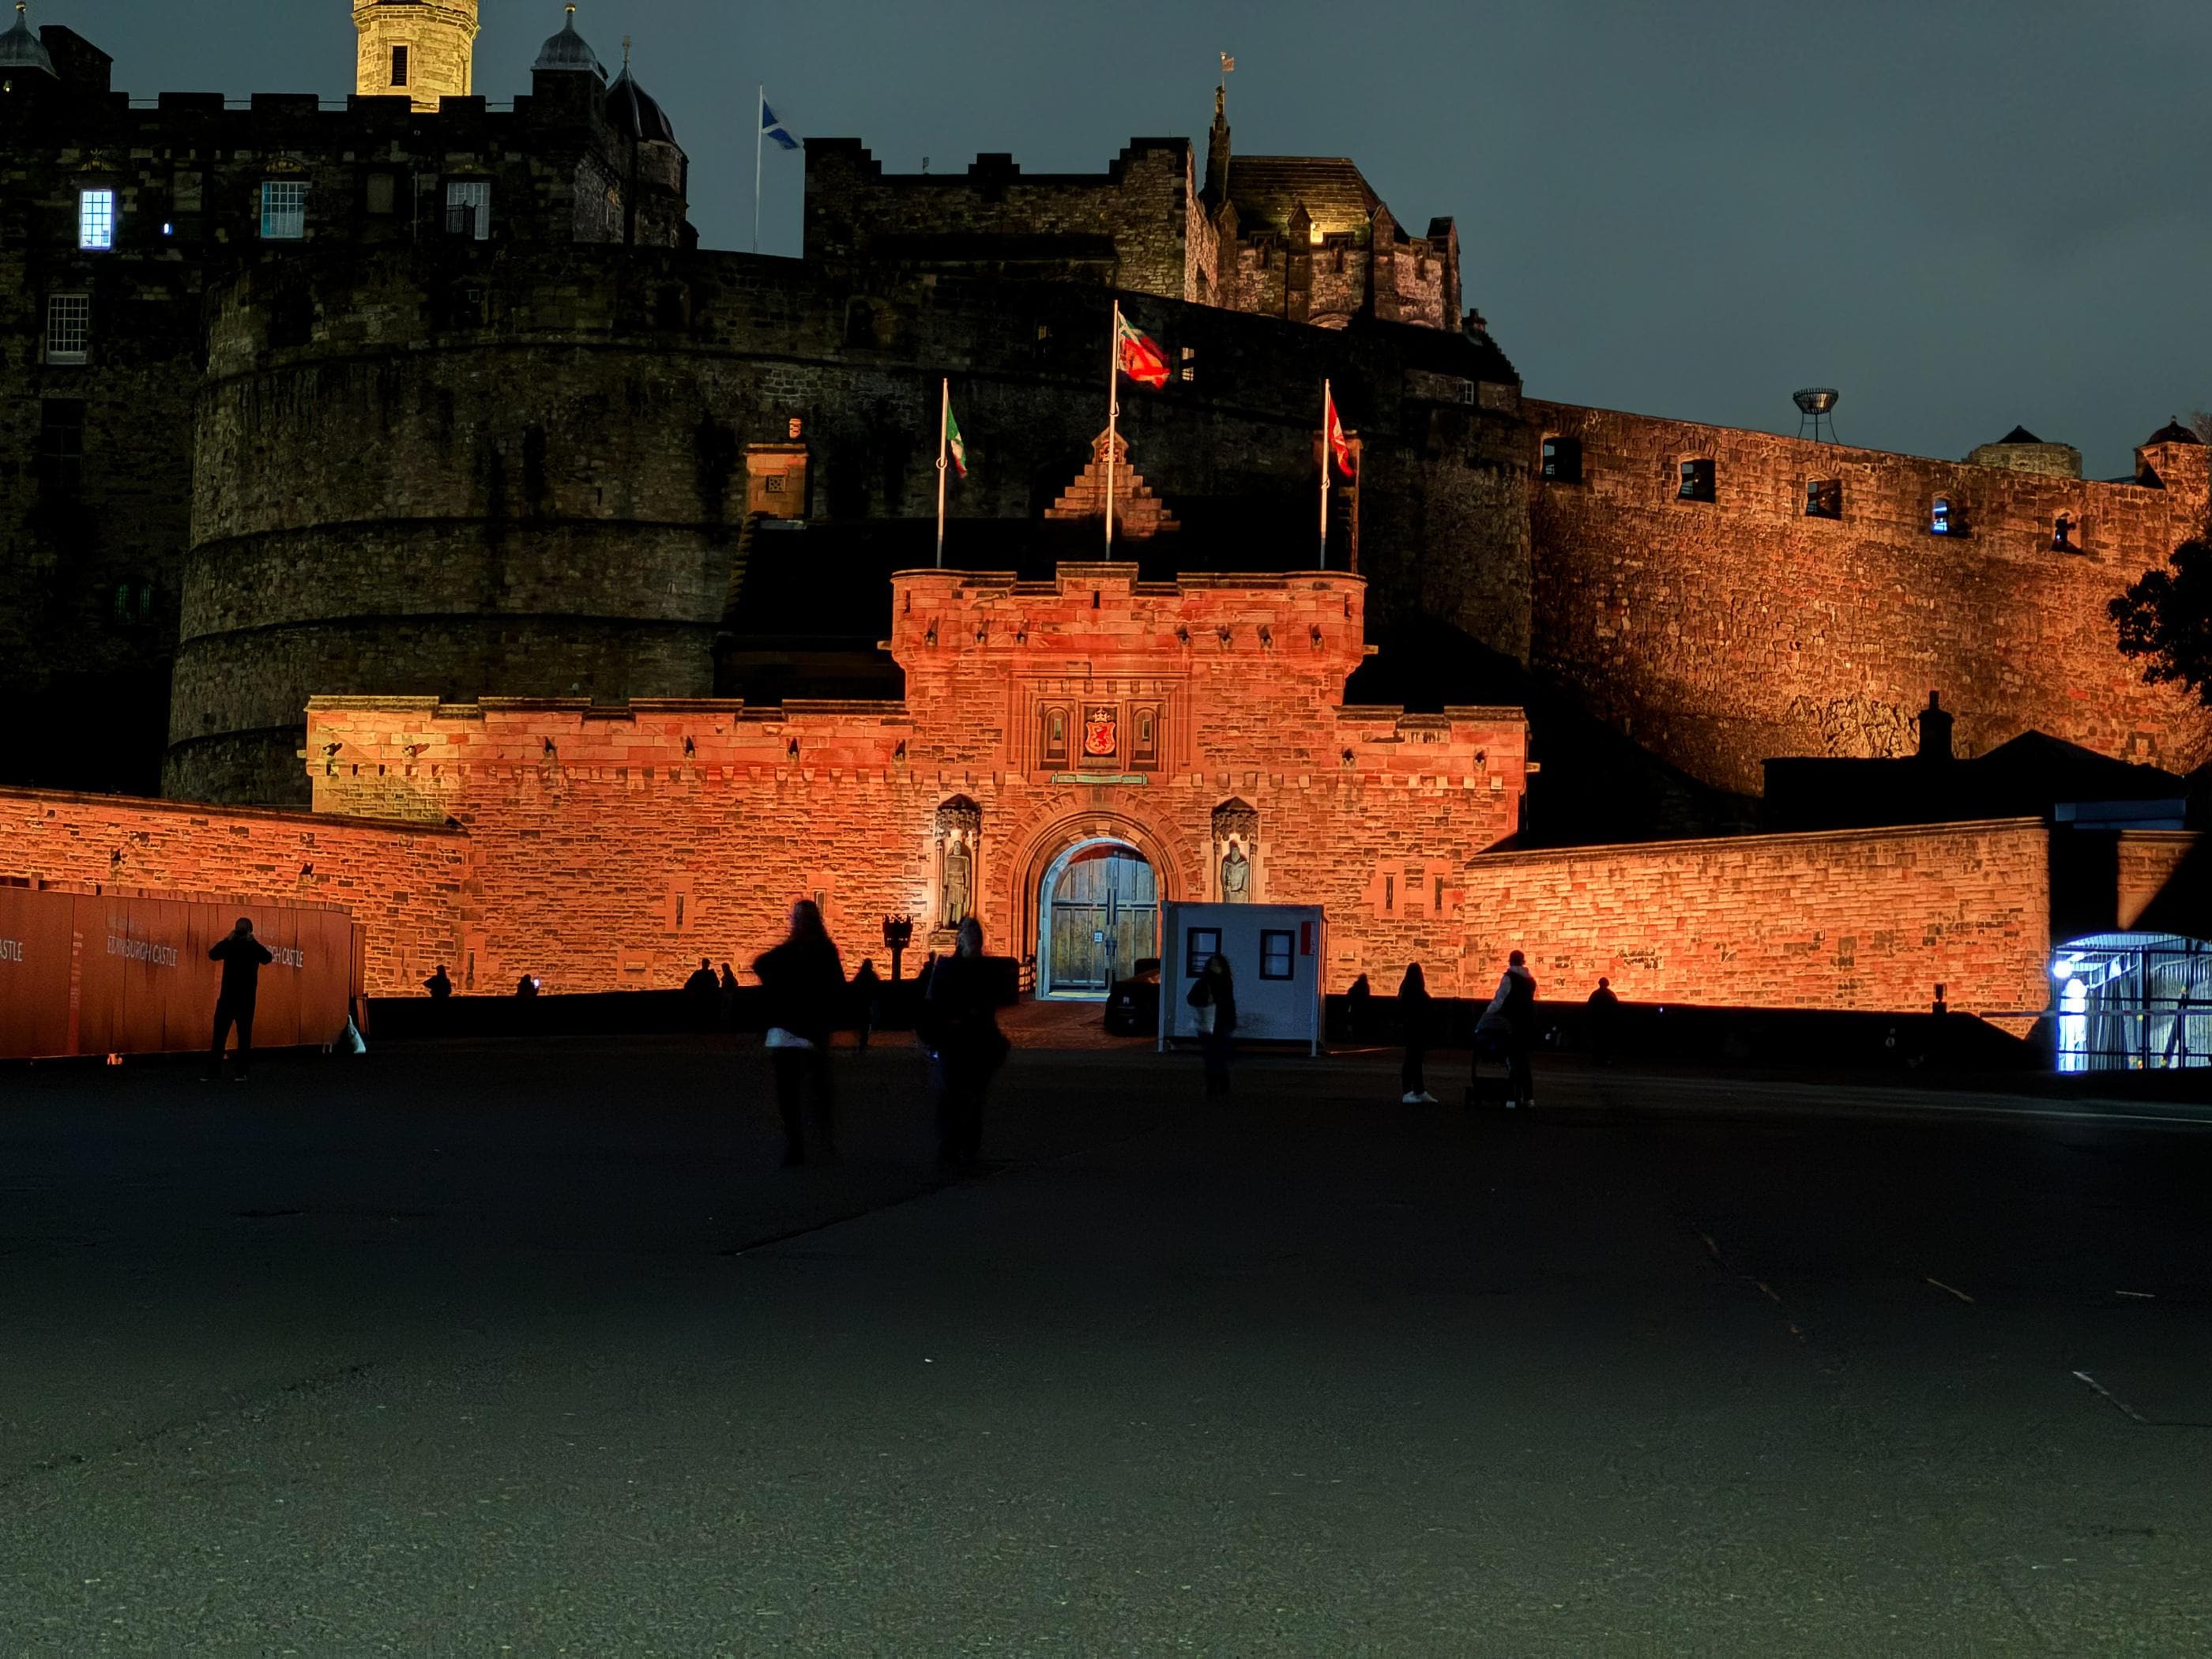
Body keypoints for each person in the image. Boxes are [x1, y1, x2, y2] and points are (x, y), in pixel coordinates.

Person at [752, 899, 847, 1167]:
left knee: (790, 1092)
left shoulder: (789, 952)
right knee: (815, 1089)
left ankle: (797, 1145)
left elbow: (761, 965)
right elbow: (838, 988)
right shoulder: (823, 951)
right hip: (810, 1031)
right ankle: (818, 1141)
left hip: (787, 1031)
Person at [920, 920, 1007, 1170]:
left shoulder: (985, 969)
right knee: (952, 1096)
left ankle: (968, 1148)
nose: (975, 943)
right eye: (970, 938)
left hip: (978, 1042)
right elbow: (933, 1003)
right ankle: (950, 1147)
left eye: (977, 938)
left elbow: (993, 1004)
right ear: (960, 940)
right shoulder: (947, 968)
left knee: (974, 1098)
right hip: (954, 1042)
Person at [204, 916, 274, 1082]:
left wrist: (227, 939)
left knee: (219, 1036)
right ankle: (241, 1072)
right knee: (244, 1037)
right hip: (246, 999)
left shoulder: (230, 945)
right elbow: (267, 958)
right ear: (251, 931)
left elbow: (213, 954)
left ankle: (214, 1071)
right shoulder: (252, 947)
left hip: (227, 997)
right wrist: (253, 941)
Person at [1482, 950, 1539, 1108]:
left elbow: (1499, 999)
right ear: (1523, 961)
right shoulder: (1531, 980)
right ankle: (1528, 1097)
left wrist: (1487, 1015)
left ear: (1510, 961)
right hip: (1527, 1024)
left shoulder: (1509, 978)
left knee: (1513, 1060)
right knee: (1524, 1061)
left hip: (1511, 1024)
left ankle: (1512, 1098)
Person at [1187, 953, 1238, 1097]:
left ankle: (1217, 1085)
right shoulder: (1208, 982)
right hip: (1214, 1025)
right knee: (1214, 1056)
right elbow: (1191, 998)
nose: (1216, 968)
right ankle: (1217, 1085)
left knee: (1215, 1056)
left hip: (1217, 1024)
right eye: (1213, 965)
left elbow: (1229, 1003)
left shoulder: (1225, 981)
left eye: (1218, 965)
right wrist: (1207, 1001)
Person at [1398, 963, 1435, 1103]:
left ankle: (1418, 1090)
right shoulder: (1413, 991)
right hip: (1415, 1029)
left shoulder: (1407, 990)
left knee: (1415, 1060)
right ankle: (1409, 1092)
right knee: (1412, 1060)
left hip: (1414, 1030)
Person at [850, 957, 883, 1050]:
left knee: (862, 1021)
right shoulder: (872, 976)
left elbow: (855, 987)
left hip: (861, 1002)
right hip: (868, 1002)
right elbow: (877, 988)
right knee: (866, 1021)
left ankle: (862, 1040)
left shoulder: (860, 976)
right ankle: (864, 1040)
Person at [1586, 976, 1620, 1066]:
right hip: (1607, 1022)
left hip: (1597, 1022)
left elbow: (1589, 1007)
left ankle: (1596, 1059)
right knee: (1606, 1041)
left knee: (1597, 1041)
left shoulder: (1595, 994)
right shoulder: (1611, 995)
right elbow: (1616, 1008)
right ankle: (1606, 1059)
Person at [683, 956, 720, 1028]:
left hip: (706, 997)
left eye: (705, 963)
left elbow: (716, 983)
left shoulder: (710, 974)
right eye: (704, 963)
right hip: (700, 996)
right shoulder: (698, 973)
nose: (704, 965)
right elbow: (689, 984)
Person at [1345, 972, 1372, 1044]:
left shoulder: (1355, 987)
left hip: (1355, 1009)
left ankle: (1354, 1039)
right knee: (1361, 1025)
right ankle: (1360, 1039)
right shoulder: (1366, 988)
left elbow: (1350, 996)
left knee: (1354, 1025)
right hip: (1363, 1009)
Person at [718, 961, 739, 1029]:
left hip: (728, 994)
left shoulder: (729, 975)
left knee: (727, 1010)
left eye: (723, 968)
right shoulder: (728, 975)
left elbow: (734, 983)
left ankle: (727, 1025)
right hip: (727, 994)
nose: (723, 970)